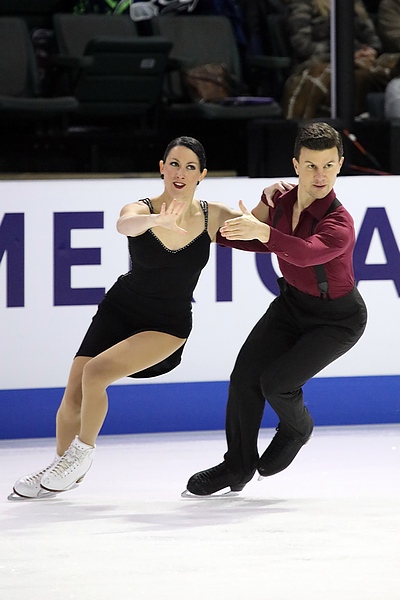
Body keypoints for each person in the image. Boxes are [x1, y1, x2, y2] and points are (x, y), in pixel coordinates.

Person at [11, 136, 242, 500]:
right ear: (161, 167)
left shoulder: (215, 214)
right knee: (72, 395)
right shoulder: (139, 208)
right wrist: (155, 219)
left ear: (202, 175)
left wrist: (270, 201)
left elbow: (261, 229)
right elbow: (125, 226)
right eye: (175, 164)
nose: (181, 173)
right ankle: (63, 468)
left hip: (167, 324)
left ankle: (82, 454)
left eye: (190, 167)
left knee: (95, 374)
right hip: (120, 309)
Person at [184, 121, 367, 497]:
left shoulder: (339, 223)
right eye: (312, 165)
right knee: (244, 378)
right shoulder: (279, 200)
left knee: (278, 383)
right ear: (296, 164)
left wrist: (260, 229)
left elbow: (304, 253)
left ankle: (297, 429)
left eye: (329, 165)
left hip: (337, 319)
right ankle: (237, 466)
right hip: (291, 305)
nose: (321, 175)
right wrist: (221, 233)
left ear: (340, 164)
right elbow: (262, 243)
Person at [282, 0, 397, 119]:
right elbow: (303, 45)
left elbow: (374, 40)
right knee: (321, 73)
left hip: (360, 61)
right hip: (322, 60)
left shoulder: (354, 4)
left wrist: (369, 52)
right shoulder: (303, 4)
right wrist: (345, 55)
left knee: (393, 63)